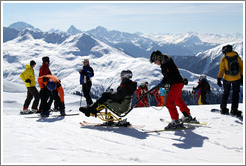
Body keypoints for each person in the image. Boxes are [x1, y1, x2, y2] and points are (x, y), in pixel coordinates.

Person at [150, 50, 194, 129]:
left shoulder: (166, 64)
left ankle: (175, 121)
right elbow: (168, 76)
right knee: (178, 99)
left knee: (169, 102)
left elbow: (171, 76)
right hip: (178, 83)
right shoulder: (166, 62)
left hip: (176, 84)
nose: (154, 63)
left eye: (155, 61)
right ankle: (187, 115)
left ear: (158, 58)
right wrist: (162, 83)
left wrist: (164, 83)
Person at [217, 44, 243, 116]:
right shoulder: (237, 57)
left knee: (226, 93)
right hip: (237, 78)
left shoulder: (224, 59)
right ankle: (234, 110)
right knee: (235, 94)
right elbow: (241, 67)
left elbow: (221, 70)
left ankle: (223, 109)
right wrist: (242, 77)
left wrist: (219, 78)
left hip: (227, 78)